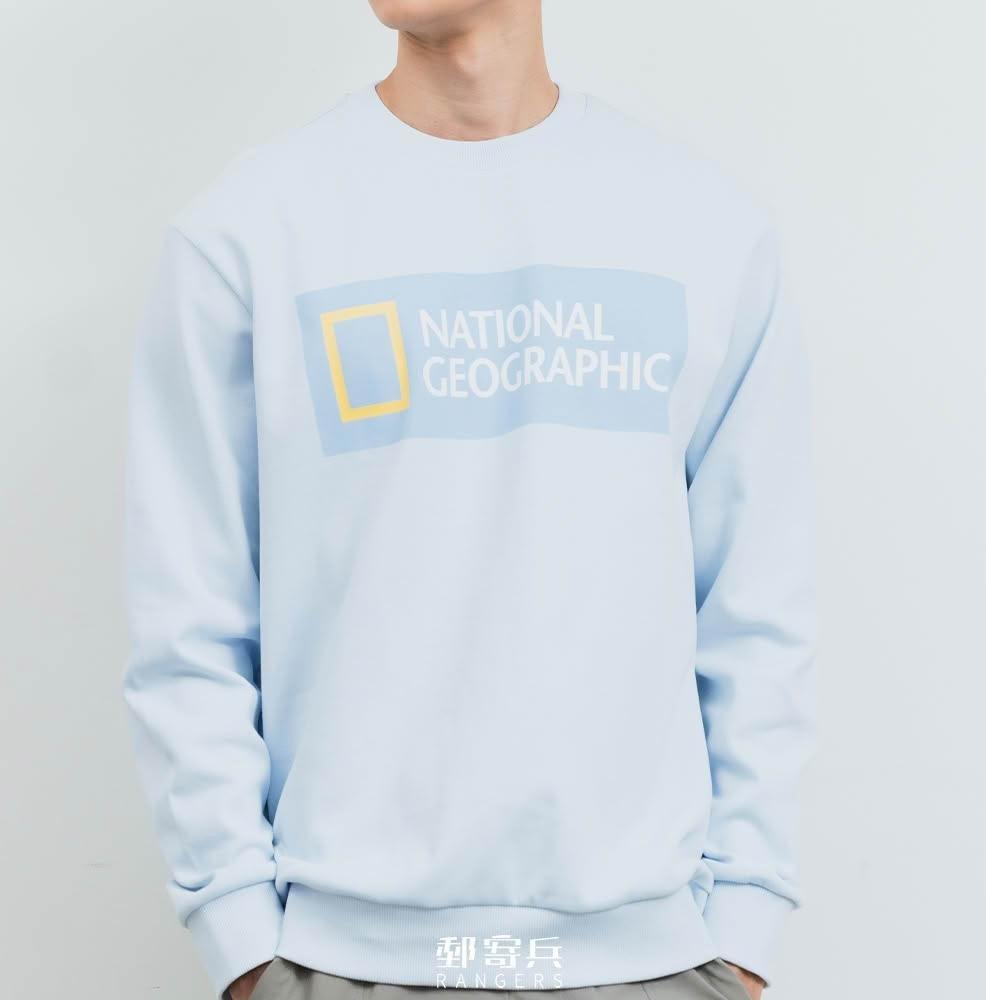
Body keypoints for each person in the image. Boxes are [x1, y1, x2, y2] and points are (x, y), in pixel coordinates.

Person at [122, 2, 816, 999]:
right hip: (339, 962)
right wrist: (242, 945)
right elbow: (188, 619)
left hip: (655, 960)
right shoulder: (246, 235)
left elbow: (755, 612)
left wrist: (742, 932)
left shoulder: (703, 229)